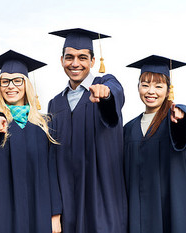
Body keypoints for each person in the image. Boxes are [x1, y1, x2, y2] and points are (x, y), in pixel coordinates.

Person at [124, 55, 186, 233]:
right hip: (138, 215)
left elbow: (184, 131)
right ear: (138, 88)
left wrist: (181, 118)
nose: (151, 91)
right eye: (145, 85)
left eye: (158, 86)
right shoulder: (129, 129)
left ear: (168, 90)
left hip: (170, 212)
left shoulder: (173, 119)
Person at [0, 50, 62, 233]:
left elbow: (51, 172)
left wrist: (55, 216)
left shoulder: (43, 124)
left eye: (17, 81)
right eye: (5, 81)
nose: (10, 86)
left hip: (36, 208)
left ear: (26, 84)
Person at [47, 28, 127, 233]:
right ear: (61, 60)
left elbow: (115, 96)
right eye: (69, 57)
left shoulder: (106, 85)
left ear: (92, 61)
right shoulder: (55, 104)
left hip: (101, 201)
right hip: (68, 206)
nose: (75, 63)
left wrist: (106, 96)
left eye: (82, 57)